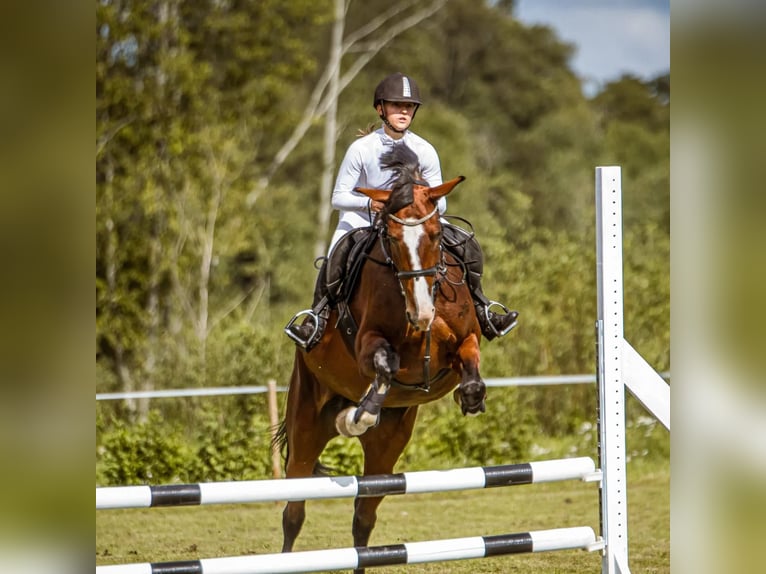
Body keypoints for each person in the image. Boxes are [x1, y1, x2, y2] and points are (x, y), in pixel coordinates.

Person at [285, 72, 518, 350]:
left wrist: (421, 206)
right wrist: (371, 203)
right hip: (363, 221)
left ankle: (483, 307)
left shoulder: (425, 150)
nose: (403, 111)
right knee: (336, 254)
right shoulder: (361, 149)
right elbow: (338, 197)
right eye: (396, 105)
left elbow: (440, 203)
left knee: (466, 244)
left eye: (408, 106)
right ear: (380, 109)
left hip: (412, 222)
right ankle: (316, 318)